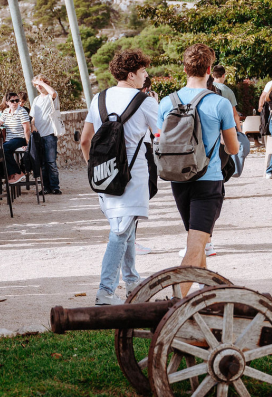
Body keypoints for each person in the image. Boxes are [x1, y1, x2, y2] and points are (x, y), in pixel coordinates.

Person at [79, 49, 159, 305]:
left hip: (105, 178)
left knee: (127, 229)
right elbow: (162, 135)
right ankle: (105, 292)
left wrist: (98, 171)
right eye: (144, 71)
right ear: (132, 74)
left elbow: (84, 141)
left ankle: (133, 285)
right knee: (120, 232)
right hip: (132, 179)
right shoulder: (144, 101)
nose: (146, 76)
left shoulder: (98, 99)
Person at [157, 45, 239, 292]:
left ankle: (202, 296)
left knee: (198, 242)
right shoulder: (219, 104)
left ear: (184, 69)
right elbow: (233, 148)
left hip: (178, 179)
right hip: (208, 179)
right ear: (208, 70)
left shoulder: (165, 102)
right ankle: (178, 303)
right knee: (195, 246)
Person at [30, 75, 63, 195]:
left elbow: (53, 93)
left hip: (49, 133)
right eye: (36, 85)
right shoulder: (36, 100)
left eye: (41, 84)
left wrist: (41, 82)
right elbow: (33, 116)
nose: (39, 87)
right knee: (42, 163)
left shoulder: (51, 96)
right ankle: (46, 187)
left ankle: (55, 186)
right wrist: (33, 125)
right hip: (39, 134)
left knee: (51, 162)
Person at [0, 91, 32, 184]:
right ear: (7, 102)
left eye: (16, 100)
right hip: (10, 139)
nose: (15, 103)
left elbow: (26, 129)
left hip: (19, 138)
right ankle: (7, 174)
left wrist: (27, 144)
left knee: (4, 148)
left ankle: (18, 172)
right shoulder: (6, 112)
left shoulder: (22, 111)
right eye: (12, 101)